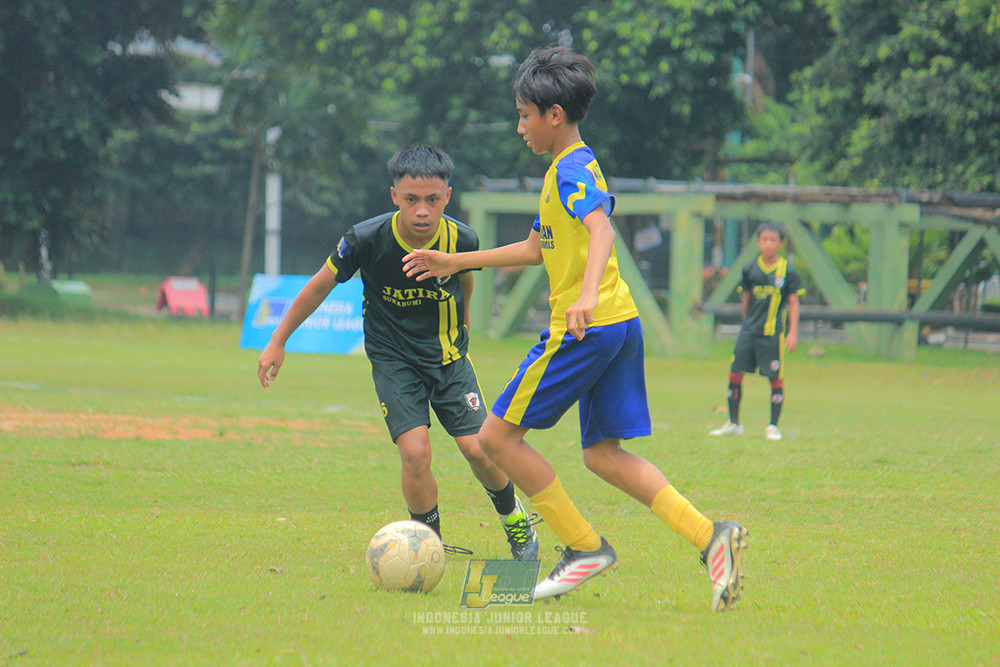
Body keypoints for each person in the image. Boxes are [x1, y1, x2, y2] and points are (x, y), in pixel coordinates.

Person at [403, 47, 747, 611]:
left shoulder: (569, 168)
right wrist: (454, 262)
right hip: (619, 322)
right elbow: (536, 250)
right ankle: (714, 538)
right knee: (602, 455)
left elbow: (603, 231)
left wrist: (585, 295)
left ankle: (583, 547)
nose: (520, 127)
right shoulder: (570, 166)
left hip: (584, 327)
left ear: (553, 114)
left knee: (494, 439)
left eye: (524, 115)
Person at [257, 144, 539, 560]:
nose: (422, 211)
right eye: (411, 200)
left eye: (432, 200)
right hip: (394, 361)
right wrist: (278, 340)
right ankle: (428, 548)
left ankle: (516, 523)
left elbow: (465, 282)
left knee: (479, 449)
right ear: (394, 197)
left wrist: (461, 327)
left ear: (447, 195)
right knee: (415, 452)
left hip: (448, 359)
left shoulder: (463, 239)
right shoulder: (364, 240)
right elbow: (320, 285)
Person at [710, 222, 804, 441]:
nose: (768, 244)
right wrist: (747, 325)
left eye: (773, 240)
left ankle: (773, 426)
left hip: (772, 334)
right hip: (749, 332)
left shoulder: (787, 270)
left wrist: (793, 333)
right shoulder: (750, 268)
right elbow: (746, 300)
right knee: (735, 372)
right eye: (764, 239)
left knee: (775, 378)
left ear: (780, 243)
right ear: (758, 242)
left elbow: (794, 303)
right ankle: (734, 423)